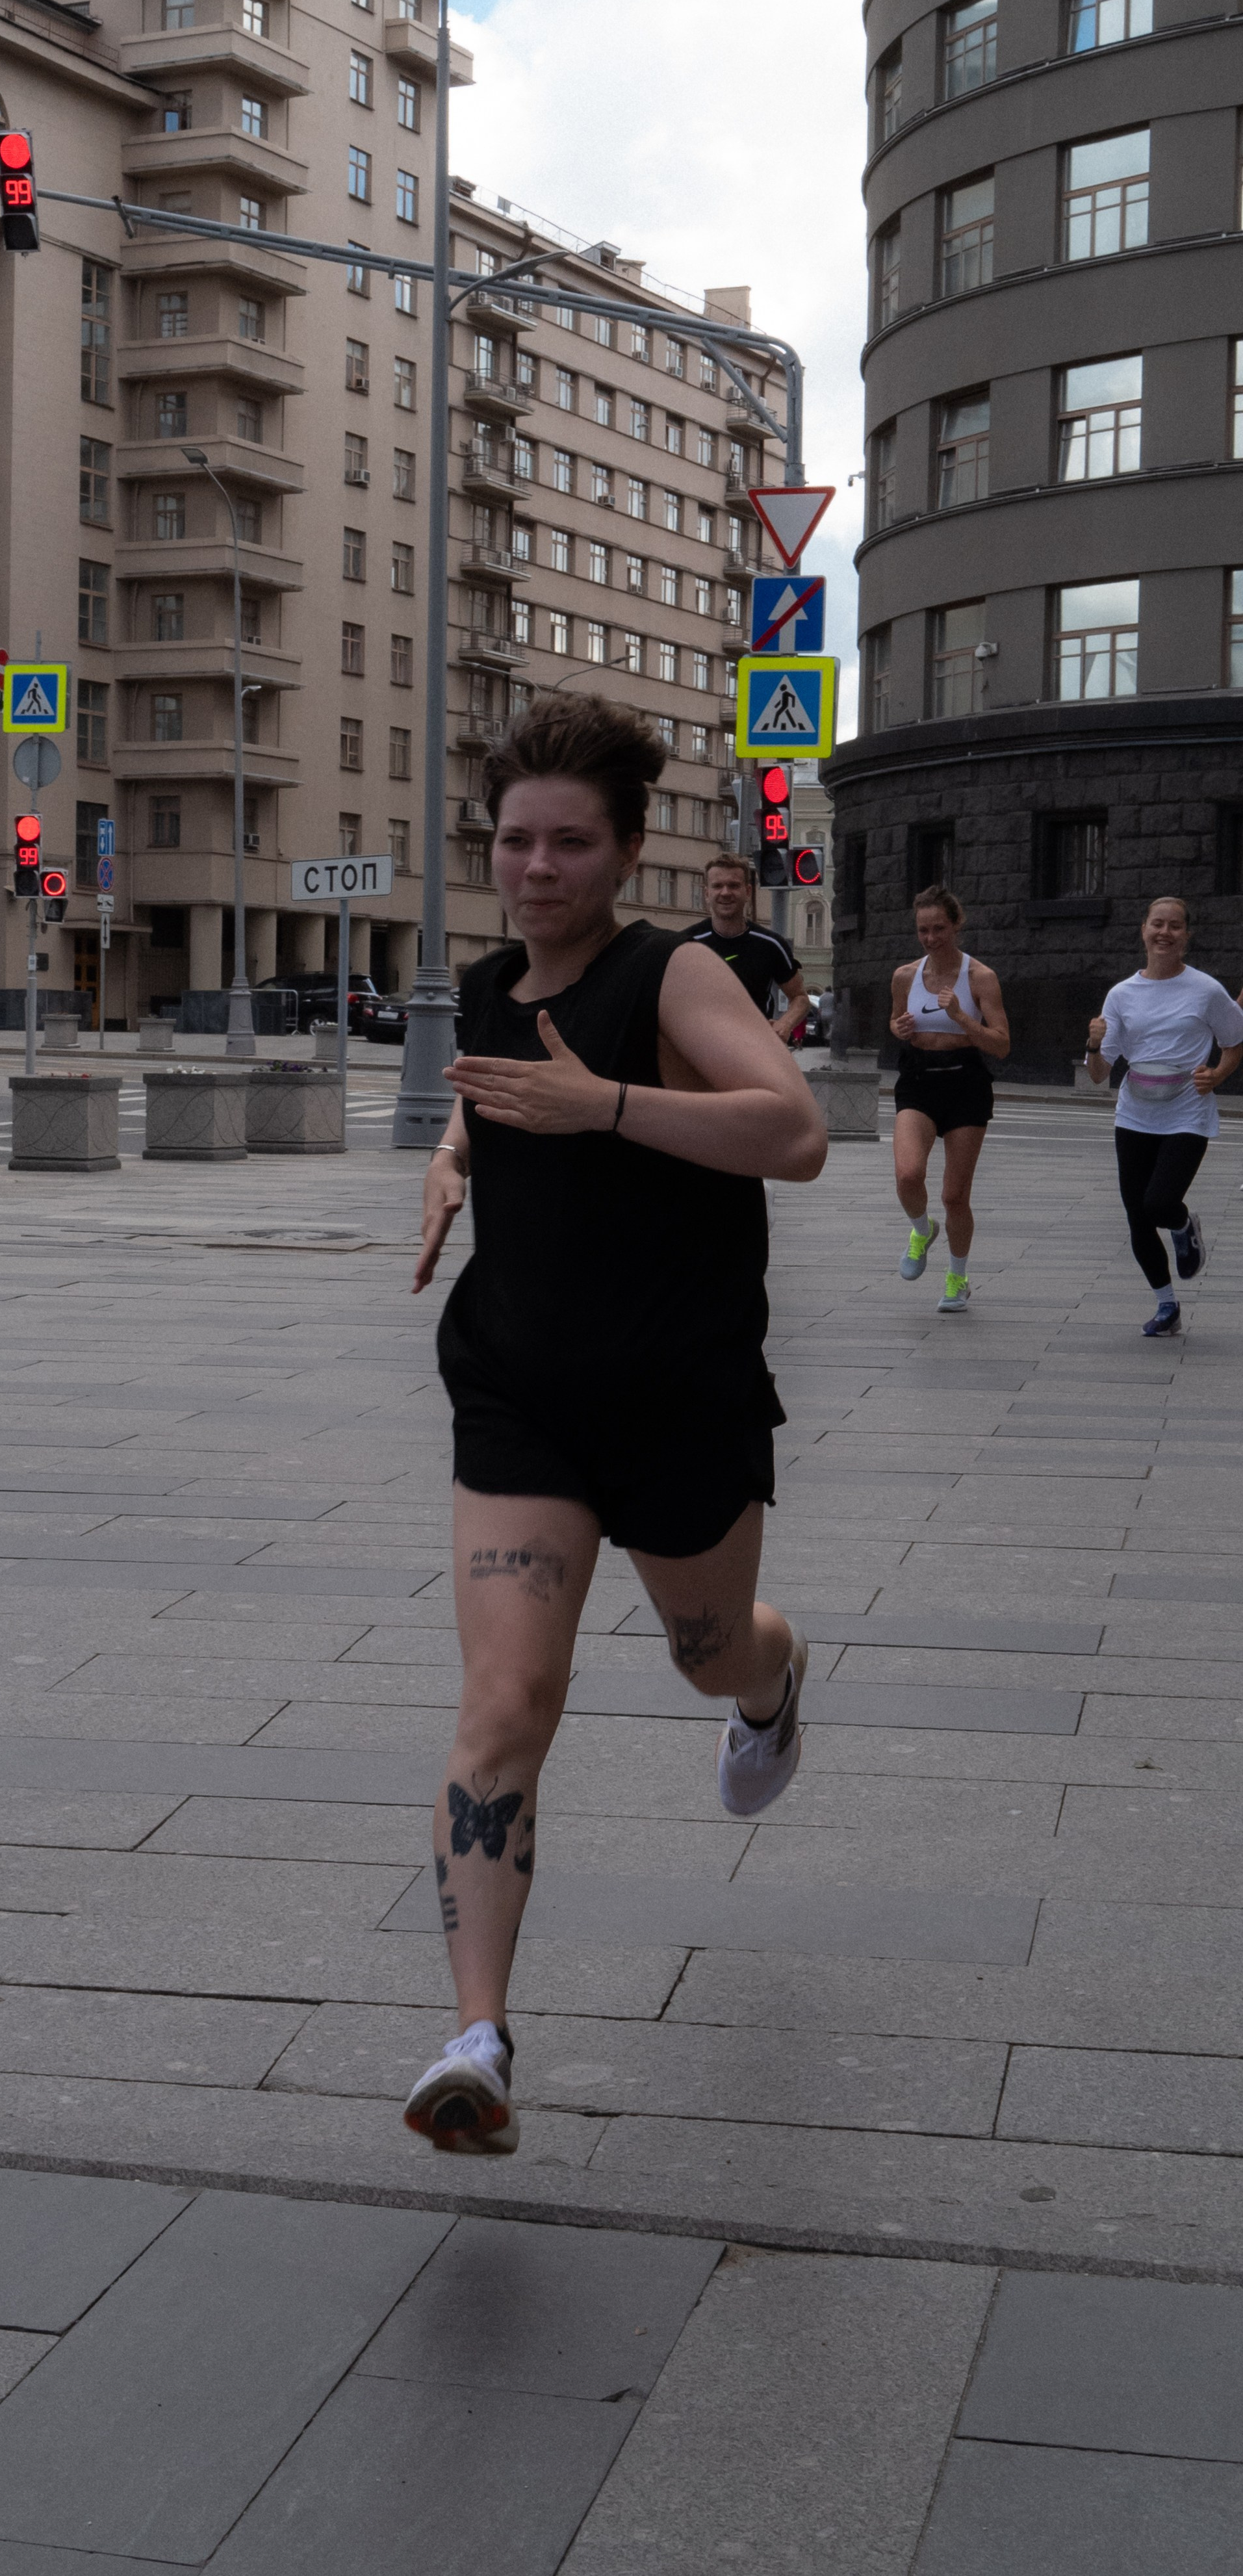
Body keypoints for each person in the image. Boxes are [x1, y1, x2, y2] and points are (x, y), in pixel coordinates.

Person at [403, 695, 827, 2154]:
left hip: (678, 1394)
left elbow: (795, 1134)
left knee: (709, 1654)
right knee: (504, 1703)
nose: (537, 867)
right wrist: (456, 1153)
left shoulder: (675, 974)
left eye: (571, 843)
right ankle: (476, 2039)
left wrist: (605, 1107)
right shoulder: (484, 987)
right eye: (516, 839)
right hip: (518, 1392)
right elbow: (498, 1096)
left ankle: (773, 1677)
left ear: (629, 850)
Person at [1084, 895, 1243, 1335]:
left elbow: (1235, 1042)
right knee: (1138, 1217)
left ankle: (1183, 1224)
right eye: (1158, 924)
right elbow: (1098, 1074)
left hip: (1187, 1114)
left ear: (1186, 936)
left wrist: (1217, 1074)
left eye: (1175, 926)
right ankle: (1166, 1306)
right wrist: (1094, 1044)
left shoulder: (1206, 990)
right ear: (1144, 930)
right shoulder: (1121, 995)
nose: (1165, 933)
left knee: (1159, 1203)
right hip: (1134, 1115)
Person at [889, 885, 1010, 1312]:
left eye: (939, 928)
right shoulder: (905, 976)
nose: (930, 938)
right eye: (923, 930)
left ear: (957, 925)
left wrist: (961, 1017)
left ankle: (957, 1279)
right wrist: (899, 1029)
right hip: (918, 1079)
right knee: (908, 1174)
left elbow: (1001, 1044)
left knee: (955, 1196)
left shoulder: (980, 977)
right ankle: (922, 1231)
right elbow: (896, 1020)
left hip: (965, 1082)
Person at [684, 853, 812, 1042]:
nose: (725, 893)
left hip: (755, 1046)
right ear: (707, 894)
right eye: (717, 886)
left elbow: (800, 998)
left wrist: (784, 1024)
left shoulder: (771, 945)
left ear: (748, 892)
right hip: (701, 1047)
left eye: (734, 886)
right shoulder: (685, 944)